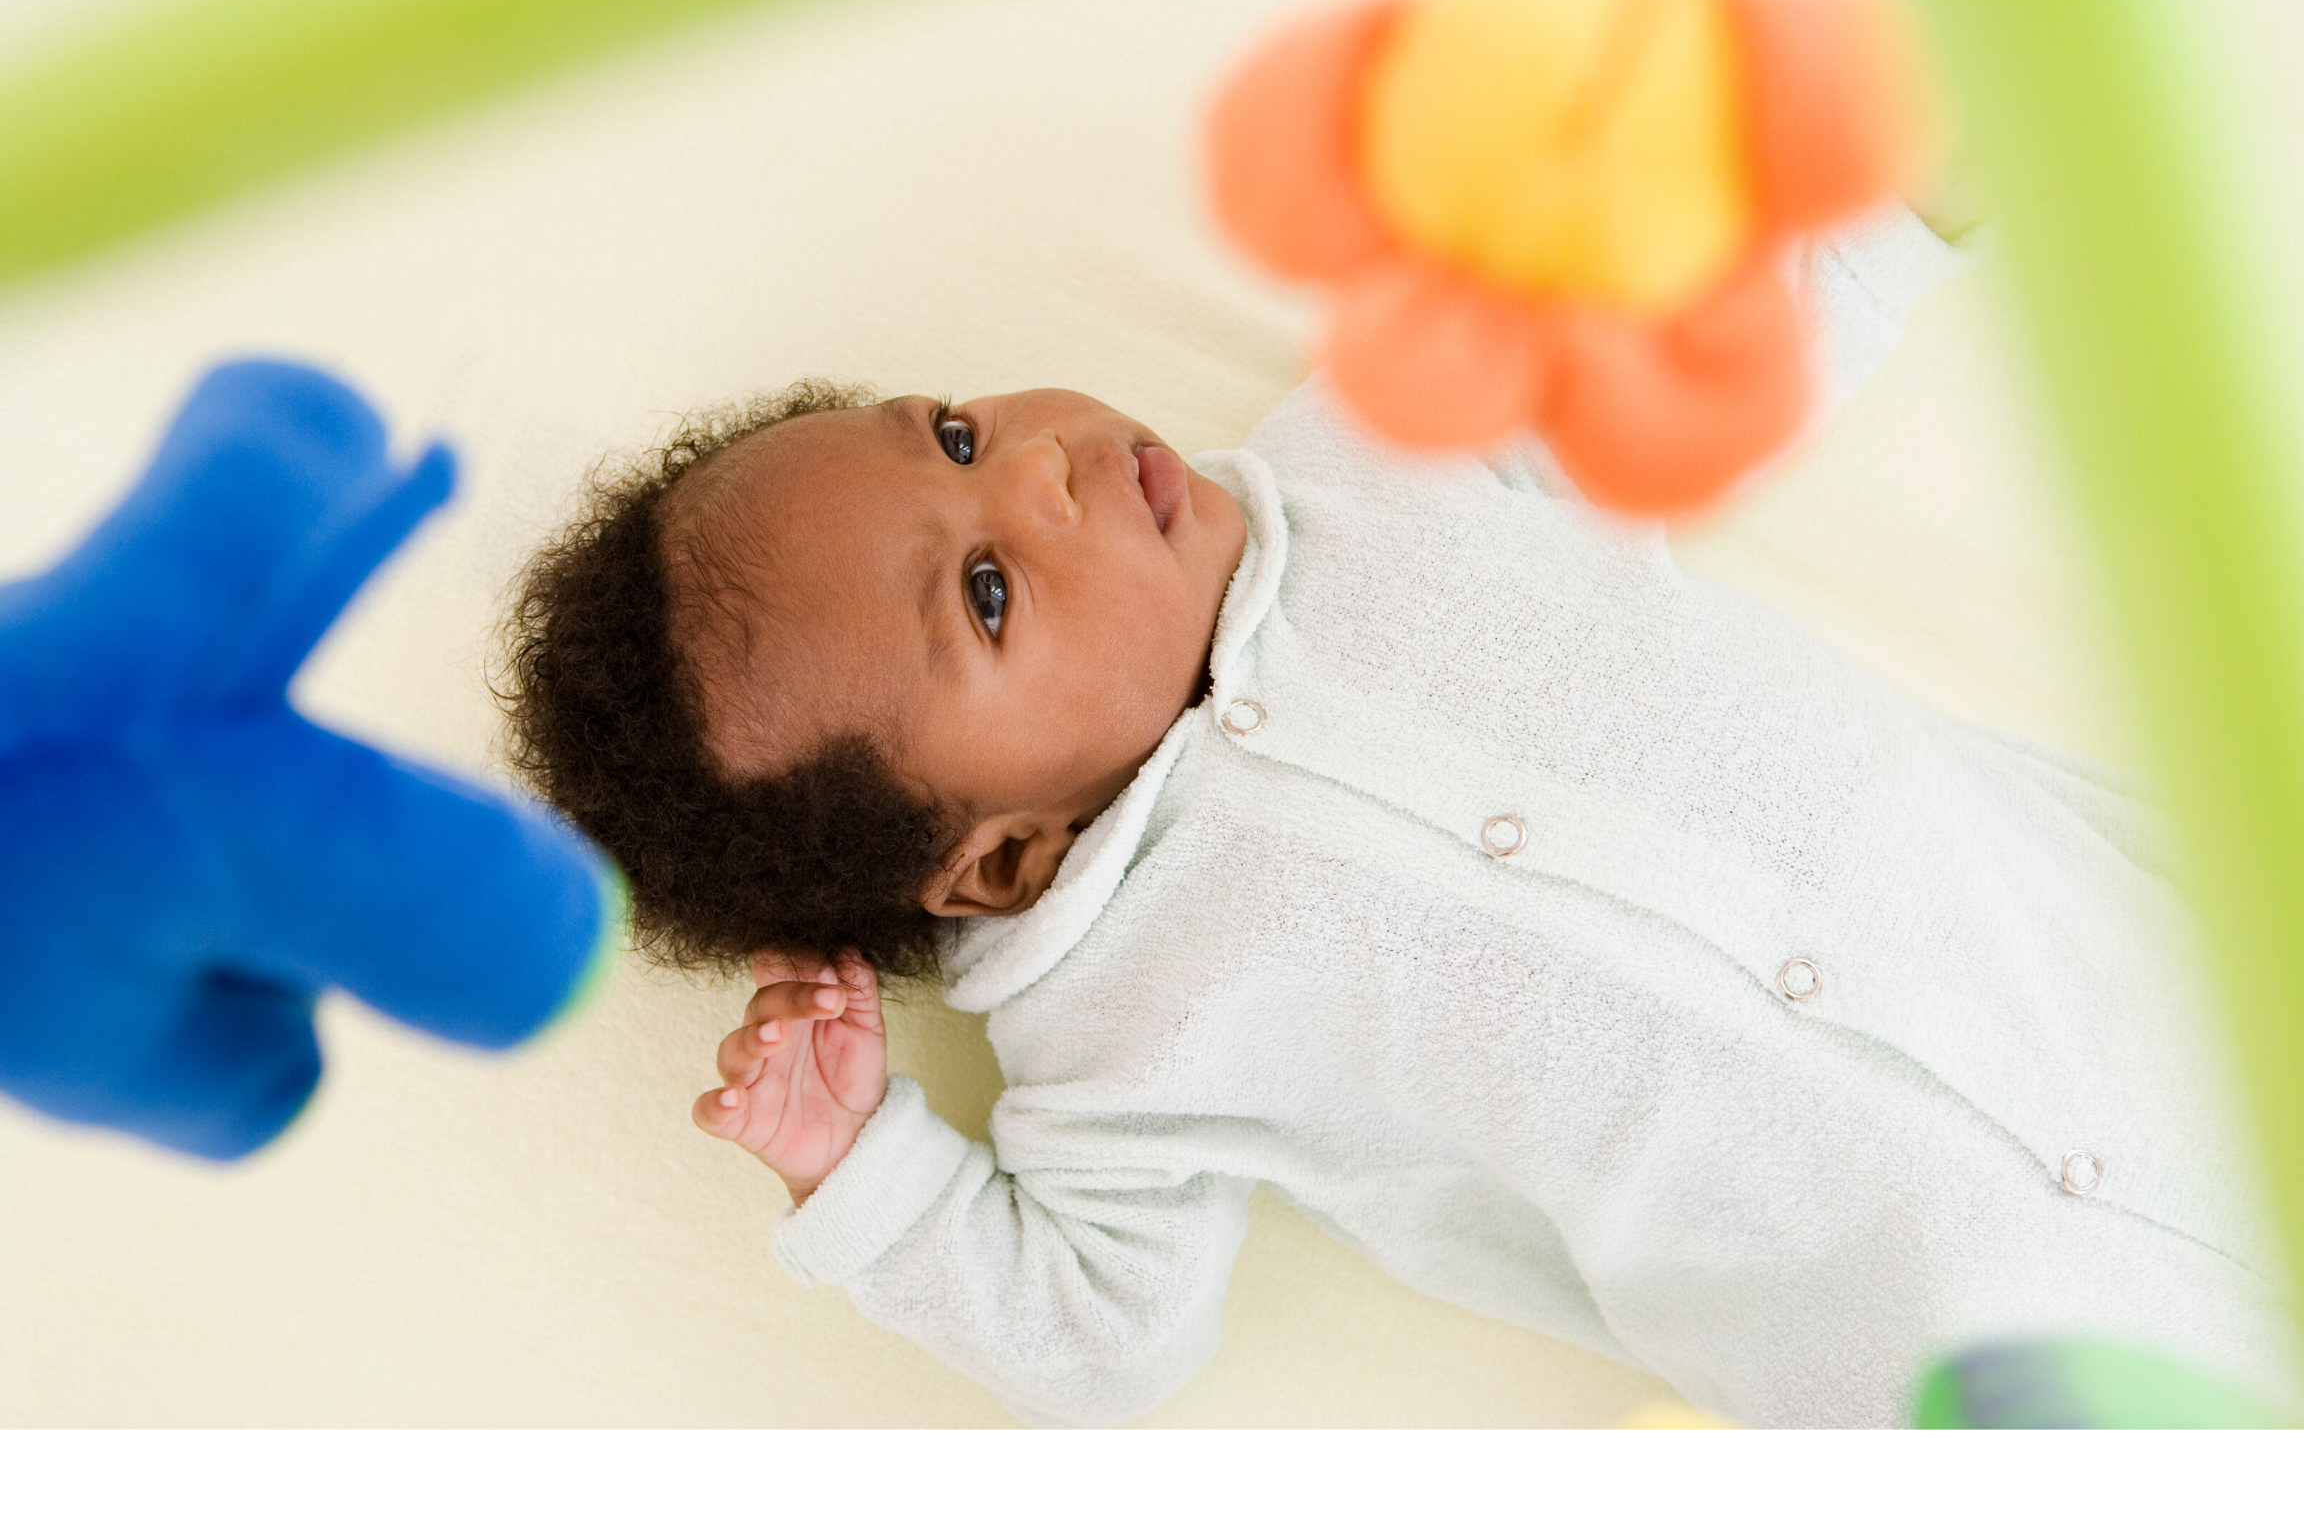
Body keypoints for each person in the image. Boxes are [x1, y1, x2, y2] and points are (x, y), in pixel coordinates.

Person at [501, 311, 2291, 1429]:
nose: (1040, 469)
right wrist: (867, 1173)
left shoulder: (1364, 473)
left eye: (957, 429)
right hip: (1973, 1328)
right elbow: (1099, 1341)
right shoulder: (1116, 1045)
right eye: (986, 591)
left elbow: (1644, 362)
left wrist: (1896, 196)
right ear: (999, 860)